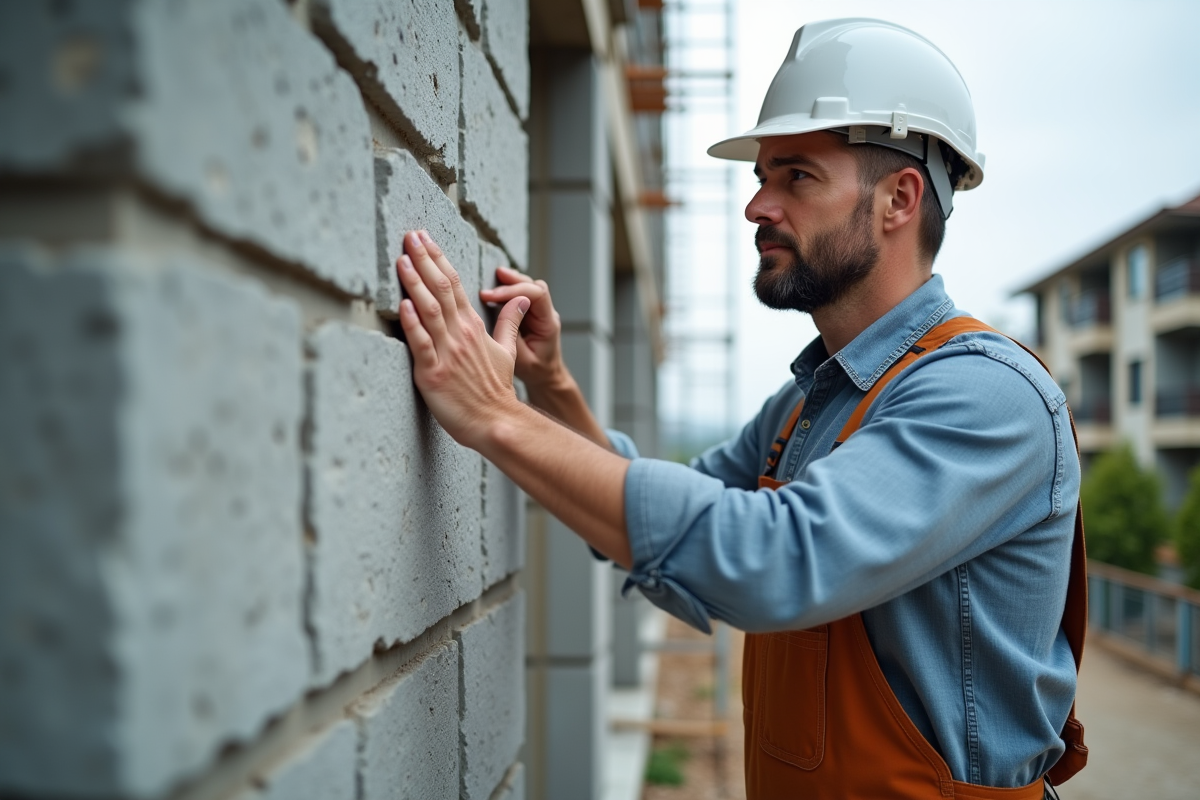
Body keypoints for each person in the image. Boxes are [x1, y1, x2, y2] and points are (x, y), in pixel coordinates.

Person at [392, 18, 1087, 799]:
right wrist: (549, 391)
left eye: (797, 177)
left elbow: (771, 560)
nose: (757, 205)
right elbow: (672, 544)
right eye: (761, 177)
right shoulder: (805, 405)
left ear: (899, 198)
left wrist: (494, 418)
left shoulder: (985, 398)